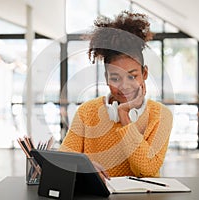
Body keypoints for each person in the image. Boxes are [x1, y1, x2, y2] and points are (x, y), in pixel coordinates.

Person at [59, 11, 173, 180]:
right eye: (115, 78)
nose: (124, 86)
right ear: (106, 78)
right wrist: (85, 166)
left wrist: (124, 117)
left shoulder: (161, 115)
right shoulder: (87, 111)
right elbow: (65, 159)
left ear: (145, 73)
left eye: (132, 76)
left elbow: (146, 170)